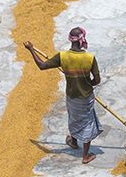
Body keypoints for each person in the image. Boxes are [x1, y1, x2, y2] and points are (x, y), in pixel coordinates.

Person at [24, 27, 102, 164]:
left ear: (70, 39)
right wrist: (87, 82)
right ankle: (85, 156)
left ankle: (73, 140)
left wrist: (31, 50)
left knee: (74, 117)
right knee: (87, 122)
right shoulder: (90, 58)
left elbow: (42, 66)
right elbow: (97, 80)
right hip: (85, 97)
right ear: (83, 38)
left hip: (71, 96)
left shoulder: (62, 56)